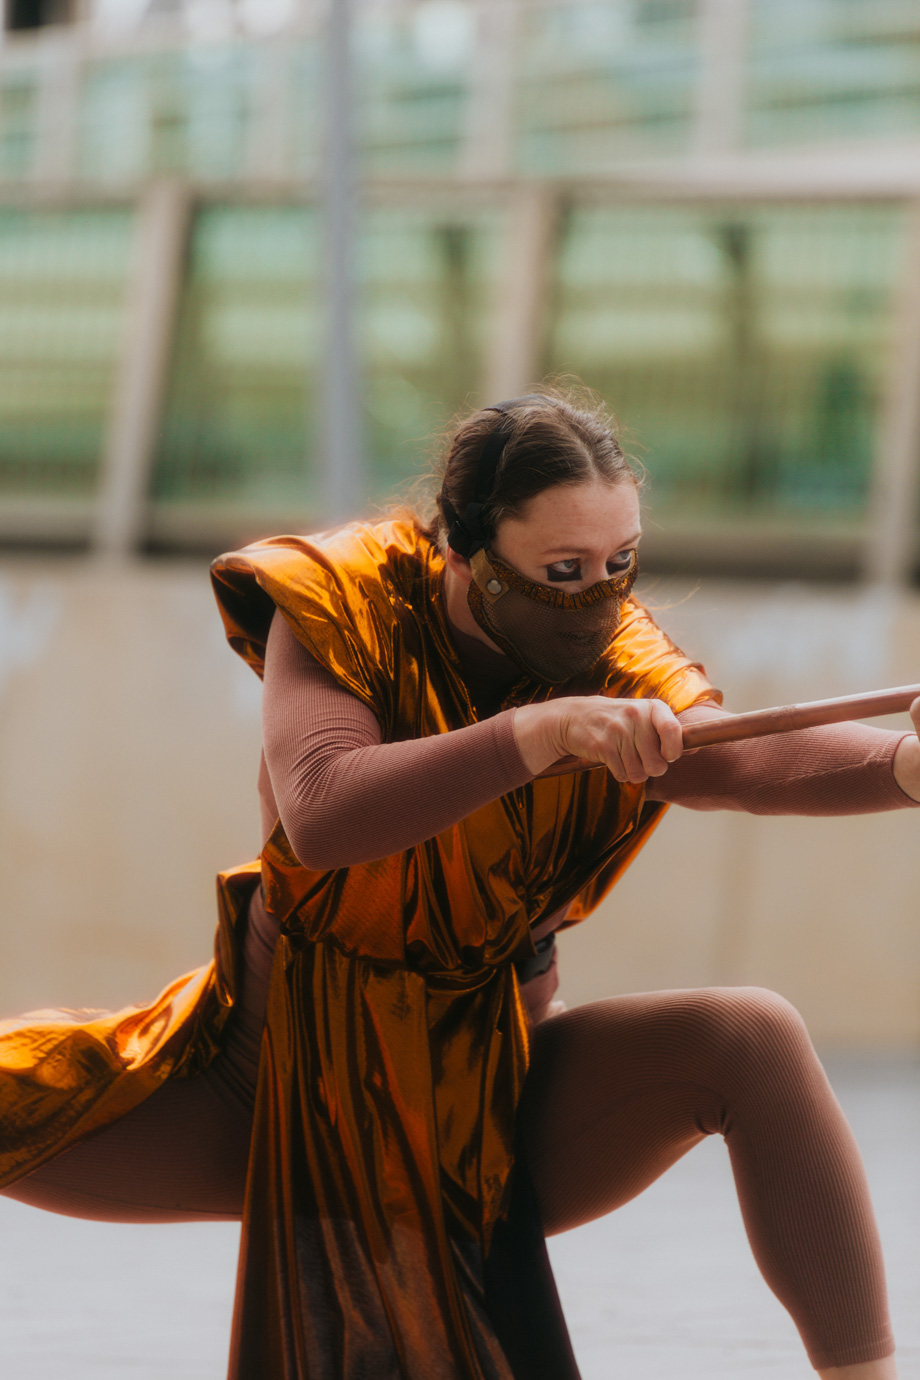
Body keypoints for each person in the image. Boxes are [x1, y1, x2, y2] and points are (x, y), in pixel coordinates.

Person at [1, 388, 917, 1380]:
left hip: (491, 1092)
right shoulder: (341, 602)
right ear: (463, 553)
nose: (595, 598)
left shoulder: (613, 653)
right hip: (272, 1072)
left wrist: (904, 765)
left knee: (747, 1035)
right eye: (559, 571)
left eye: (619, 564)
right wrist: (534, 734)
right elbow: (324, 807)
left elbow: (733, 760)